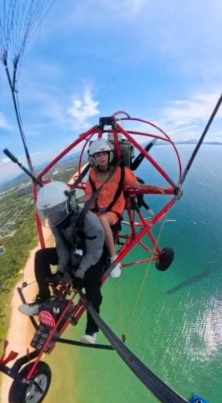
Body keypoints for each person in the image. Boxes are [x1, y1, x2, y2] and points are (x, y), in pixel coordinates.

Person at [19, 181, 109, 343]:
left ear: (69, 204)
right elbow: (62, 247)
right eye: (49, 212)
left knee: (93, 291)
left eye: (56, 210)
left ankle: (91, 331)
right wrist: (61, 270)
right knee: (41, 256)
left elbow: (94, 253)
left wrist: (79, 273)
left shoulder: (91, 223)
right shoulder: (56, 222)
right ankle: (43, 299)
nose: (53, 215)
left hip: (91, 258)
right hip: (72, 252)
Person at [81, 136, 143, 275]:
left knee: (102, 221)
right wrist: (74, 200)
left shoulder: (121, 172)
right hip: (99, 210)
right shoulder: (93, 173)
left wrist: (162, 189)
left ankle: (113, 258)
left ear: (110, 155)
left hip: (112, 211)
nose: (102, 157)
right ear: (93, 158)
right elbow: (90, 195)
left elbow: (138, 186)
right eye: (98, 155)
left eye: (104, 154)